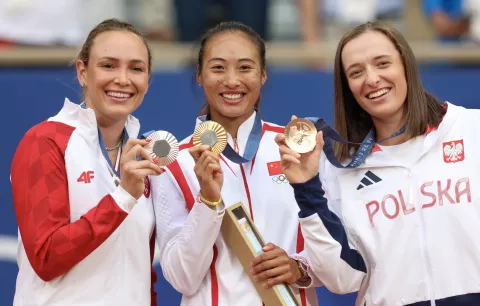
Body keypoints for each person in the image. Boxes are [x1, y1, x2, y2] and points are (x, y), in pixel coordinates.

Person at [276, 20, 480, 306]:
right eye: (356, 72)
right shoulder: (340, 169)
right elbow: (342, 279)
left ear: (406, 65)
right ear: (347, 87)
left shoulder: (472, 130)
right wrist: (307, 189)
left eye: (382, 63)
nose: (371, 79)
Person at [151, 21, 320, 305]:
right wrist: (207, 201)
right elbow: (182, 278)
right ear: (199, 76)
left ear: (263, 74)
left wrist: (300, 267)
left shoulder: (298, 148)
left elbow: (341, 259)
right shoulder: (174, 162)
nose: (231, 81)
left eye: (245, 67)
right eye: (218, 68)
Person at [10, 18, 162, 305]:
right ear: (82, 72)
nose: (123, 79)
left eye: (136, 68)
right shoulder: (46, 141)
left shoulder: (143, 154)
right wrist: (122, 198)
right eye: (108, 65)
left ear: (148, 80)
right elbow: (46, 258)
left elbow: (141, 271)